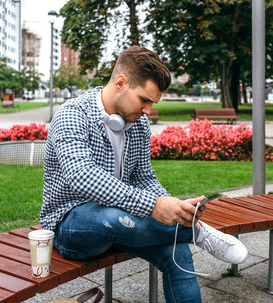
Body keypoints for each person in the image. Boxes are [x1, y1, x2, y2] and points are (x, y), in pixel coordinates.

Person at [39, 46, 247, 303]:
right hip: (72, 225)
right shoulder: (72, 115)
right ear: (121, 83)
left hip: (128, 221)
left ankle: (187, 228)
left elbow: (143, 177)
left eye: (152, 103)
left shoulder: (138, 123)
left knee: (178, 254)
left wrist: (176, 208)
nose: (148, 110)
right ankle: (197, 232)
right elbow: (82, 176)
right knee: (114, 218)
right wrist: (154, 205)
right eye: (144, 100)